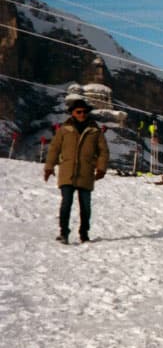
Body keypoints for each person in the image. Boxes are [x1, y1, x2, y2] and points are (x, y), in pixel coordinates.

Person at [43, 99, 109, 244]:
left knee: (85, 206)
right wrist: (49, 167)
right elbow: (54, 148)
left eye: (85, 112)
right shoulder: (64, 130)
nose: (82, 114)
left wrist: (101, 168)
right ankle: (64, 233)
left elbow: (103, 151)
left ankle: (84, 234)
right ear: (72, 113)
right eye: (79, 112)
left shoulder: (95, 131)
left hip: (86, 173)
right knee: (66, 203)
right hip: (68, 172)